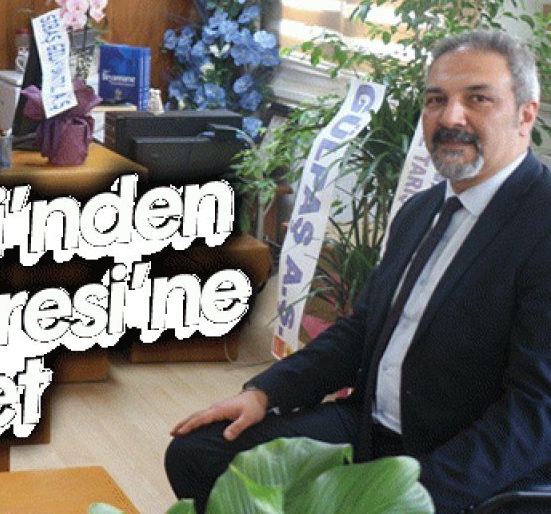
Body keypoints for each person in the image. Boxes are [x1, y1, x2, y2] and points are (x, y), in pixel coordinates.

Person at [166, 29, 551, 514]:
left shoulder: (542, 222)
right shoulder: (423, 210)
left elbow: (536, 412)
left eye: (478, 99)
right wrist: (266, 392)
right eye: (436, 100)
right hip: (370, 429)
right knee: (199, 454)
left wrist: (407, 498)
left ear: (525, 115)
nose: (451, 117)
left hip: (457, 459)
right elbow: (363, 329)